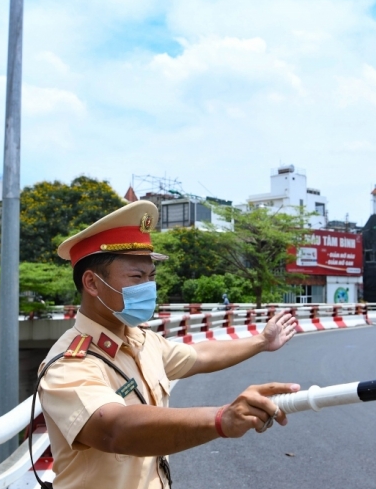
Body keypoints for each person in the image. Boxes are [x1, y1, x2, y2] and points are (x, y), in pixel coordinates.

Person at [37, 200, 299, 489]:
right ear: (92, 283)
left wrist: (261, 341)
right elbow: (115, 429)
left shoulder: (141, 340)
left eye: (151, 277)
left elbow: (199, 355)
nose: (148, 287)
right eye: (137, 277)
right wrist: (222, 419)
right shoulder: (69, 364)